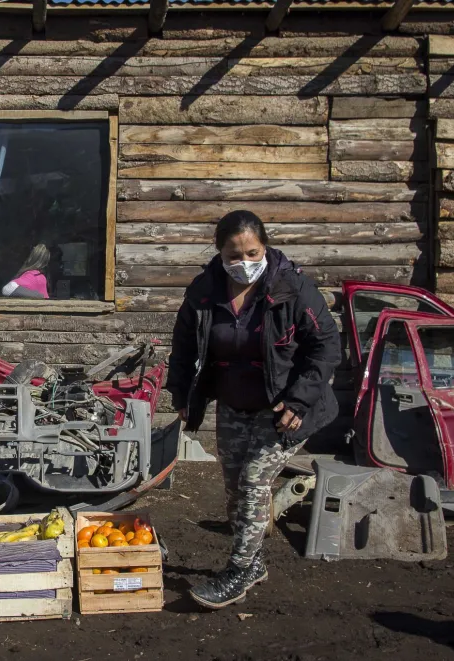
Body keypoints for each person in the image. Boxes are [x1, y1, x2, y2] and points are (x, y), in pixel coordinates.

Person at [166, 210, 341, 609]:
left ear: (264, 247)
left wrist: (299, 399)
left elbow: (327, 345)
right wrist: (181, 395)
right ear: (219, 252)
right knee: (234, 490)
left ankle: (240, 569)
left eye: (252, 252)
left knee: (252, 482)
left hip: (284, 407)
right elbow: (185, 347)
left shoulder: (292, 288)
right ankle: (253, 559)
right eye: (234, 255)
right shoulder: (204, 291)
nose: (244, 263)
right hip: (233, 404)